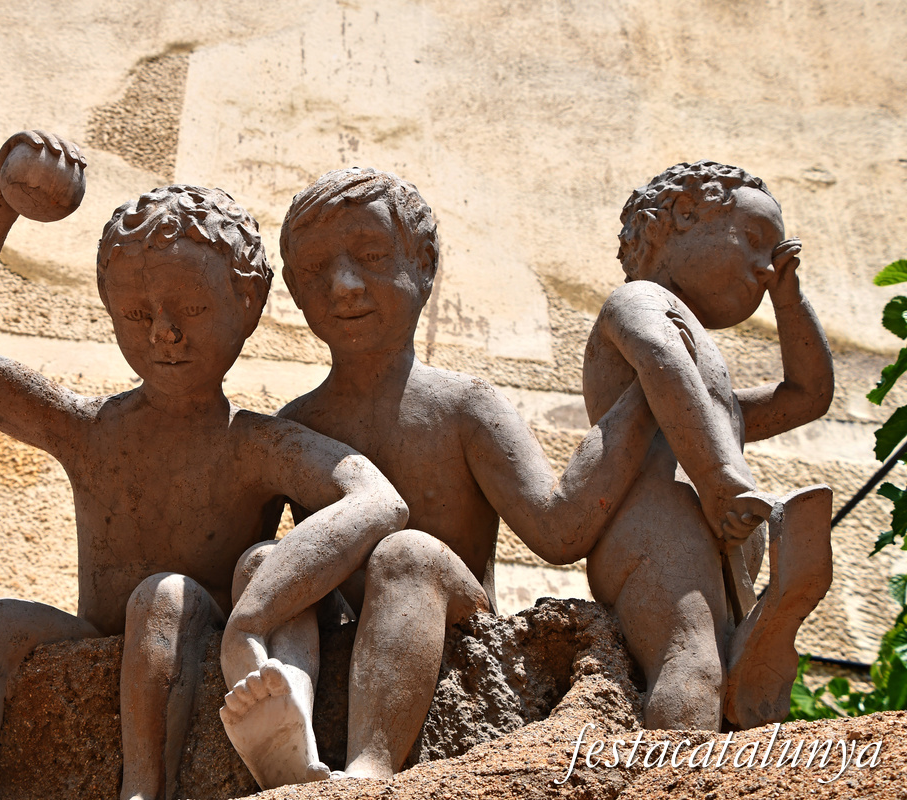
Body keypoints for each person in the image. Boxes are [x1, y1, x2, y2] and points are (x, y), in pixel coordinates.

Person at [0, 132, 408, 800]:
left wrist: (258, 603)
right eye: (137, 314)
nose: (163, 332)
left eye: (191, 308)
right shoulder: (86, 429)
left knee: (163, 594)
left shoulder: (254, 444)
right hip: (95, 633)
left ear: (247, 304)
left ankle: (145, 789)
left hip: (206, 632)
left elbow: (376, 499)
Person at [218, 167, 658, 787]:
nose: (343, 286)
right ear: (293, 288)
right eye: (316, 272)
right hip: (345, 631)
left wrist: (645, 394)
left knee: (407, 552)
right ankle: (290, 736)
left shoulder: (464, 406)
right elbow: (234, 565)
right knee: (265, 562)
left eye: (371, 256)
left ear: (423, 264)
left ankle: (370, 767)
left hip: (454, 612)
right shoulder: (296, 426)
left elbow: (558, 532)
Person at [582, 160, 834, 730]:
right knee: (692, 662)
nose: (766, 265)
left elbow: (807, 395)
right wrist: (722, 479)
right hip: (656, 525)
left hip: (712, 540)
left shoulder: (708, 389)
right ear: (683, 218)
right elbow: (659, 360)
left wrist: (789, 300)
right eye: (753, 240)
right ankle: (676, 783)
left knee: (727, 679)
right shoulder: (641, 300)